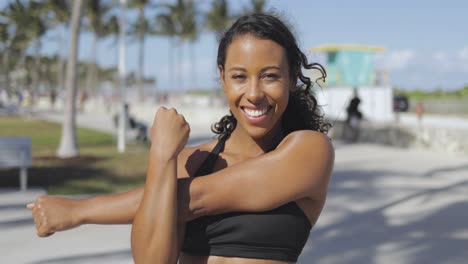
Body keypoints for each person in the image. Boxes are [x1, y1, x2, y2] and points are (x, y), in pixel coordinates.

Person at [27, 13, 334, 263]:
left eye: (270, 76)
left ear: (291, 78)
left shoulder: (309, 152)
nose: (253, 94)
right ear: (222, 76)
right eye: (239, 76)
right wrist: (162, 156)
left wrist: (78, 211)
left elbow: (196, 199)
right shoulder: (189, 161)